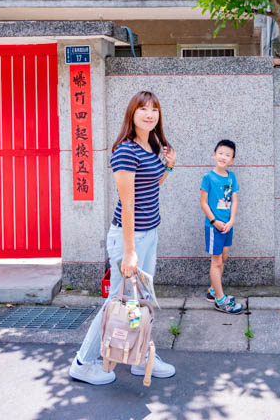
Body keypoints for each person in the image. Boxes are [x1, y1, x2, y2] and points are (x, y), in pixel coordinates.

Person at [70, 91, 178, 385]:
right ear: (131, 114)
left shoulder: (148, 145)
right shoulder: (126, 150)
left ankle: (137, 355)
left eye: (154, 109)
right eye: (142, 108)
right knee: (116, 301)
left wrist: (168, 166)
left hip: (148, 234)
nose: (149, 114)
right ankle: (83, 362)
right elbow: (127, 202)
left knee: (140, 301)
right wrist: (130, 252)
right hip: (129, 238)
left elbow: (151, 187)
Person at [200, 139, 244, 314]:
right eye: (220, 153)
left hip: (227, 225)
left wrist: (232, 220)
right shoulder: (208, 177)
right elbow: (203, 203)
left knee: (224, 257)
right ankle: (220, 300)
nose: (223, 157)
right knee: (216, 261)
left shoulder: (231, 177)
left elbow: (234, 200)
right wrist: (214, 221)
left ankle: (213, 290)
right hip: (214, 227)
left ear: (232, 160)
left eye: (227, 155)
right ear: (214, 154)